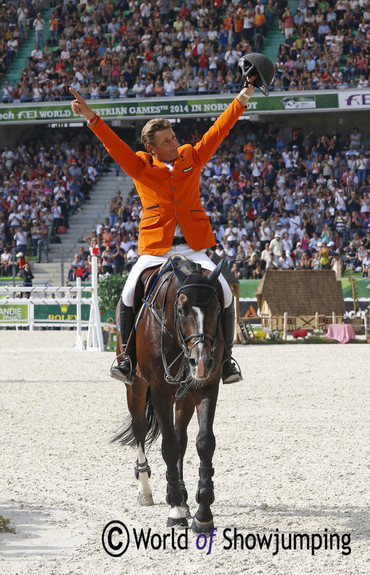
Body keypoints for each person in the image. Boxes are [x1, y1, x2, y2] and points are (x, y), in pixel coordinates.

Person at [70, 74, 259, 386]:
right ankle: (126, 358)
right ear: (151, 146)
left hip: (193, 248)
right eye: (168, 140)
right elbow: (114, 145)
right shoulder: (141, 166)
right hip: (156, 250)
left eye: (174, 136)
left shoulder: (192, 157)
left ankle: (226, 361)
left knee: (225, 292)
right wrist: (91, 116)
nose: (175, 141)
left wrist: (244, 95)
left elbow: (219, 130)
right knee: (128, 293)